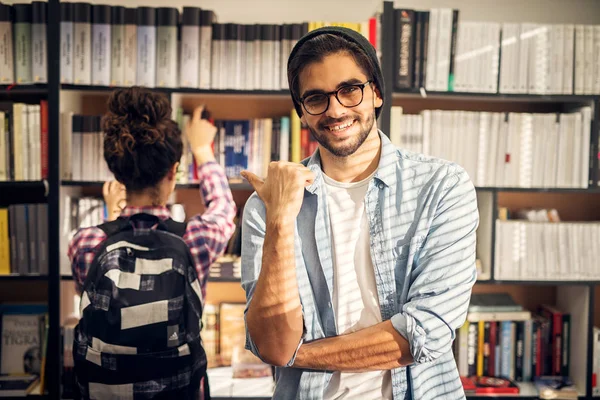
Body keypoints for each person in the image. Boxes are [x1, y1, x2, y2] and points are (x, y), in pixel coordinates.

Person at [240, 27, 479, 399]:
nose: (335, 110)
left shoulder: (441, 186)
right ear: (302, 112)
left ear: (377, 93)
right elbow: (273, 345)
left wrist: (298, 357)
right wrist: (280, 220)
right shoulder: (268, 204)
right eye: (316, 98)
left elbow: (424, 333)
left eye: (350, 89)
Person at [68, 86, 236, 301]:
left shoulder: (85, 243)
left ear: (117, 174)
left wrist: (111, 218)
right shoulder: (197, 239)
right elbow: (223, 207)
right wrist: (202, 150)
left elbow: (94, 300)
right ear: (172, 172)